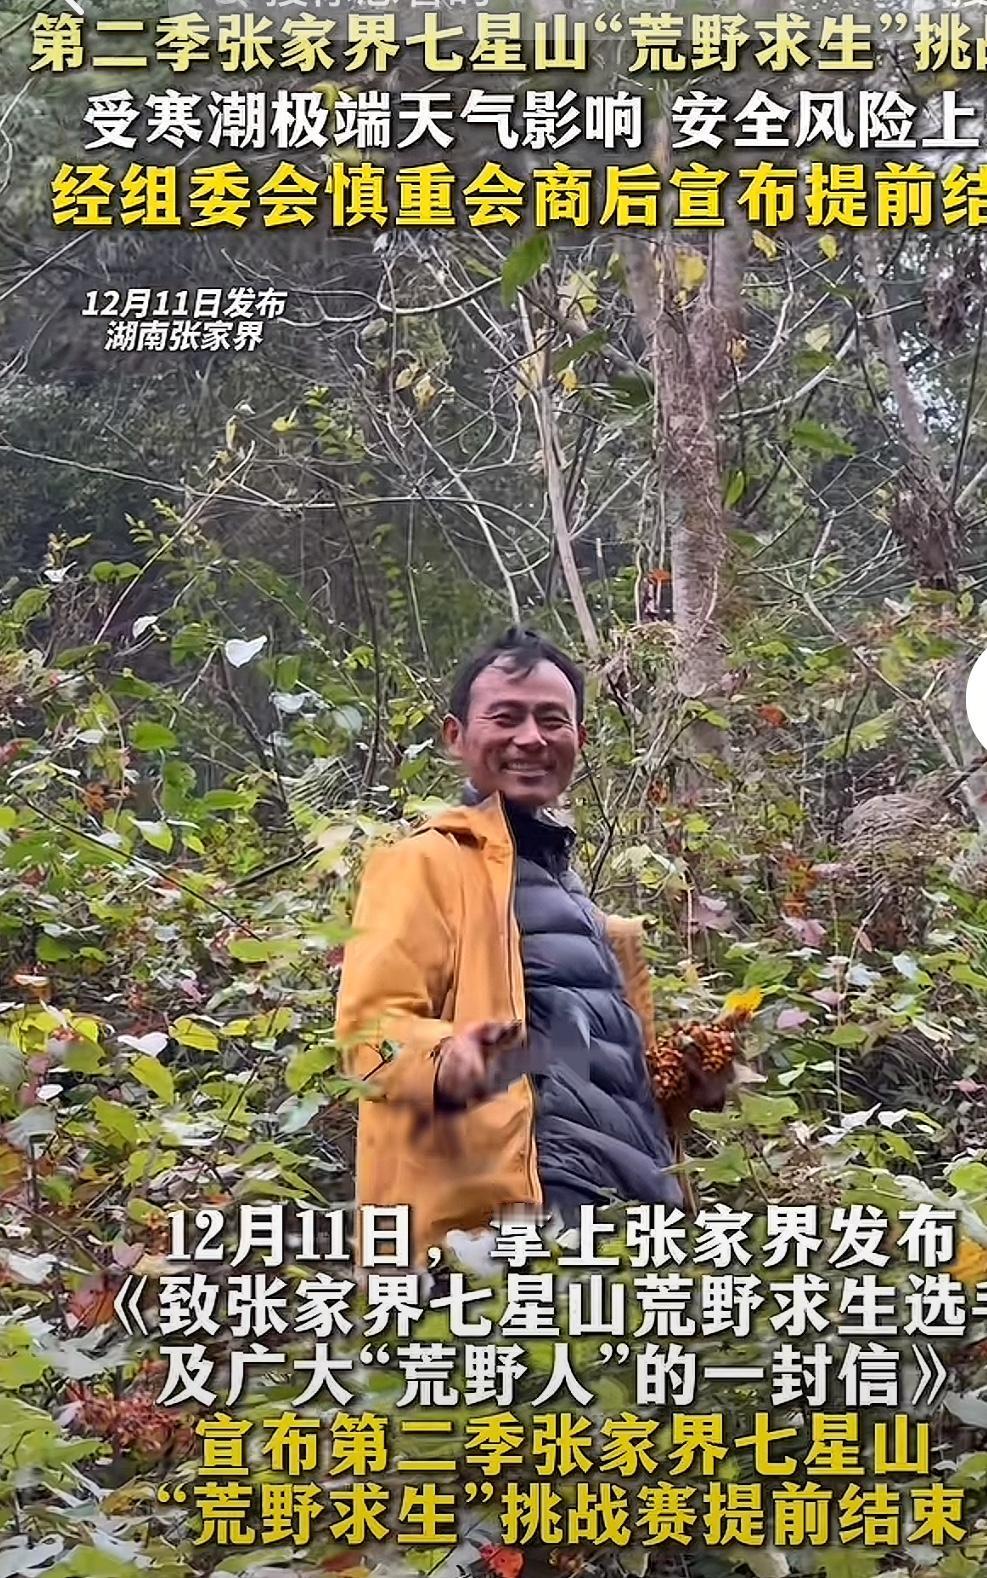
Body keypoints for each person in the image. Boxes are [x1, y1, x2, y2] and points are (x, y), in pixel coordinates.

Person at [335, 627, 730, 1267]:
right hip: (515, 1216)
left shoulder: (583, 908)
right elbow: (369, 1039)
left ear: (580, 739)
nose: (531, 738)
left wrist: (682, 1082)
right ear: (456, 736)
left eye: (552, 720)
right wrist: (449, 1056)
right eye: (506, 717)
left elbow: (592, 1074)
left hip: (631, 1208)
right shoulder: (424, 864)